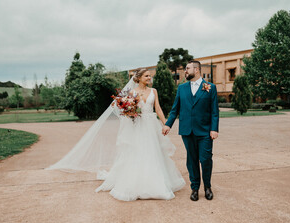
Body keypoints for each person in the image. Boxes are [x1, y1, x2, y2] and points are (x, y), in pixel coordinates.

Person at [47, 68, 185, 201]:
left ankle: (157, 182)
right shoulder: (131, 92)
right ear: (139, 78)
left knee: (154, 152)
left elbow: (158, 109)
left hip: (150, 125)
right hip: (137, 126)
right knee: (136, 152)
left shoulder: (154, 91)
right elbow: (122, 110)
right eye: (146, 76)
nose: (150, 78)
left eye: (150, 76)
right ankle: (136, 184)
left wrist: (165, 124)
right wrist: (129, 111)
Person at [162, 60, 219, 201]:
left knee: (205, 159)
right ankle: (194, 188)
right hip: (187, 131)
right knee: (191, 160)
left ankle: (207, 187)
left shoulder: (210, 87)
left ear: (197, 70)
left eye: (187, 68)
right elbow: (175, 109)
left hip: (205, 131)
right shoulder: (182, 88)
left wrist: (214, 129)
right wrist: (168, 124)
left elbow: (214, 111)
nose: (185, 71)